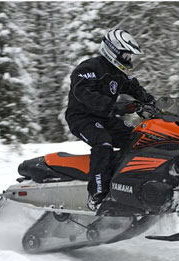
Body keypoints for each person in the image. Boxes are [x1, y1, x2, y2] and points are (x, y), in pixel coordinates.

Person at [65, 29, 155, 210]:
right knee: (103, 142)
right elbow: (83, 93)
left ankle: (130, 186)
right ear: (112, 50)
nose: (128, 59)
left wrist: (153, 103)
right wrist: (114, 106)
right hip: (82, 118)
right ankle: (97, 195)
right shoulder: (89, 68)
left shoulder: (119, 73)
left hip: (105, 117)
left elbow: (136, 89)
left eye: (129, 56)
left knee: (138, 138)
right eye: (126, 55)